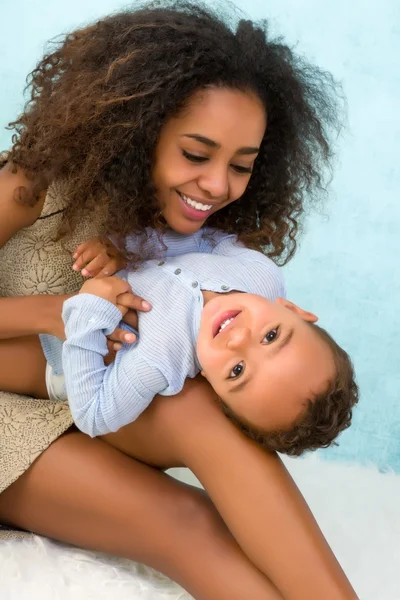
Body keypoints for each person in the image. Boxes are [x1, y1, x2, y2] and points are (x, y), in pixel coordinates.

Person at [0, 2, 358, 599]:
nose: (217, 186)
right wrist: (56, 313)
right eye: (196, 154)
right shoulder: (30, 184)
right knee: (188, 523)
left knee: (198, 410)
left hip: (81, 395)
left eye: (241, 165)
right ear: (141, 124)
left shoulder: (190, 236)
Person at [0, 227, 358, 454]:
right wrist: (128, 247)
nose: (237, 341)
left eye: (236, 371)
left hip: (53, 358)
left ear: (213, 389)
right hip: (67, 269)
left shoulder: (161, 359)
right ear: (293, 308)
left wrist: (90, 311)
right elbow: (211, 239)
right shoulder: (261, 275)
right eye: (271, 336)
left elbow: (93, 415)